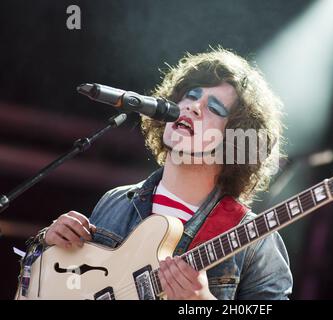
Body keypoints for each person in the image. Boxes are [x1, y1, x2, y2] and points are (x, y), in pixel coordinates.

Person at [23, 48, 293, 300]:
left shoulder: (255, 239)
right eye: (191, 95)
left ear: (234, 140)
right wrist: (49, 247)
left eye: (214, 109)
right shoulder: (116, 201)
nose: (193, 106)